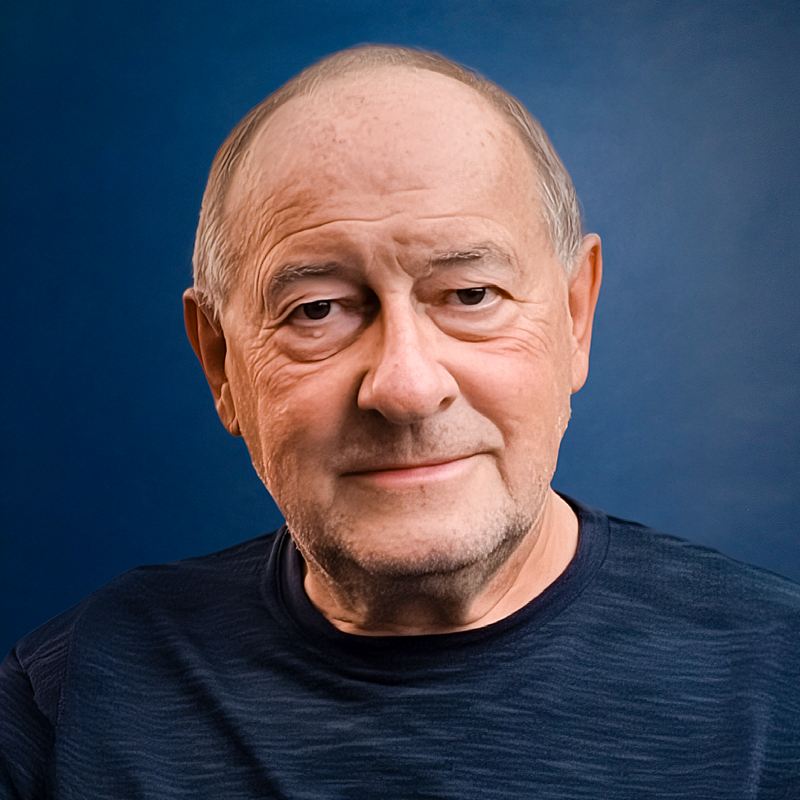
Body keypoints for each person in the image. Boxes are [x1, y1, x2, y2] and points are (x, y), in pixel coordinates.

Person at [1, 45, 798, 799]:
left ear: (575, 316)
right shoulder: (73, 697)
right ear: (220, 363)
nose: (407, 387)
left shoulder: (781, 682)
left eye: (471, 295)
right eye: (317, 311)